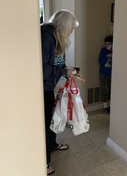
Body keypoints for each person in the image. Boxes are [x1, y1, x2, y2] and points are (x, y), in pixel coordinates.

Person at [40, 10, 79, 175]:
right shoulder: (45, 38)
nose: (71, 32)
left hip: (49, 86)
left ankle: (52, 145)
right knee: (45, 122)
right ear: (63, 27)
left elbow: (57, 63)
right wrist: (63, 73)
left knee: (51, 119)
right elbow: (41, 69)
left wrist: (67, 70)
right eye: (71, 28)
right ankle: (44, 162)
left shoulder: (58, 40)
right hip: (41, 88)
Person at [98, 35, 113, 113]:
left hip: (111, 73)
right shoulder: (103, 51)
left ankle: (111, 105)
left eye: (109, 44)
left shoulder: (115, 51)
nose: (108, 46)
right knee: (104, 89)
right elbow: (100, 61)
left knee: (111, 89)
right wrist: (107, 56)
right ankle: (105, 105)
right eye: (106, 44)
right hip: (103, 72)